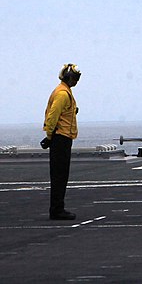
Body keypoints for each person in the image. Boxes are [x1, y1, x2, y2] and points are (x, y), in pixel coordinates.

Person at [41, 63, 81, 220]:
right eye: (75, 78)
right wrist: (50, 136)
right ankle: (57, 209)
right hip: (60, 138)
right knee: (59, 175)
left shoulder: (65, 92)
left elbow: (62, 112)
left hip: (63, 137)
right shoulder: (62, 94)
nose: (76, 81)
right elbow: (52, 116)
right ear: (68, 77)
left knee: (61, 175)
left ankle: (58, 207)